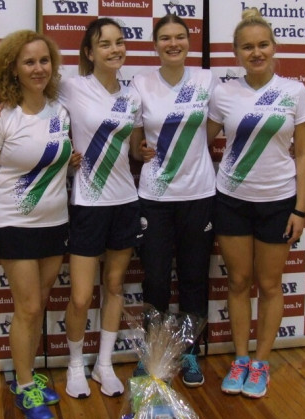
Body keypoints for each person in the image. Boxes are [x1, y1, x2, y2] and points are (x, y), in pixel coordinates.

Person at [0, 18, 142, 400]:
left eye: (120, 42)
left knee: (115, 287)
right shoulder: (71, 87)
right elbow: (24, 83)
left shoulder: (134, 94)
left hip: (122, 202)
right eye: (104, 44)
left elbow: (133, 146)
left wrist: (142, 153)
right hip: (84, 205)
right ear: (89, 52)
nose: (114, 49)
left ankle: (103, 365)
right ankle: (73, 365)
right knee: (80, 296)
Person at [206, 8, 305, 399]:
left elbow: (303, 153)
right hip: (231, 200)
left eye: (263, 45)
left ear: (274, 48)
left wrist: (300, 208)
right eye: (248, 47)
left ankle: (261, 363)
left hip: (278, 201)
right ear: (236, 54)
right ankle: (239, 358)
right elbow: (199, 141)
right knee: (238, 281)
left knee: (269, 284)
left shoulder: (294, 92)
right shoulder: (224, 93)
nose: (256, 52)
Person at [0, 30, 72, 419]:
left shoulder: (59, 111)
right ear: (13, 68)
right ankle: (24, 382)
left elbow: (54, 160)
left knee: (39, 304)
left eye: (44, 61)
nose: (38, 69)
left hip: (54, 222)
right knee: (28, 308)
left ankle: (26, 375)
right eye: (29, 62)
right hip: (13, 224)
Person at [129, 14, 216, 387]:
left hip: (199, 194)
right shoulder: (140, 83)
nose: (173, 43)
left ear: (188, 41)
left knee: (195, 277)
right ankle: (154, 354)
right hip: (155, 197)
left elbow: (212, 130)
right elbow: (135, 143)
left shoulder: (206, 80)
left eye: (180, 36)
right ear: (155, 44)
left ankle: (190, 353)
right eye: (165, 38)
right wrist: (142, 150)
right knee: (157, 280)